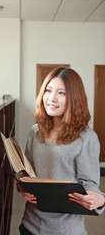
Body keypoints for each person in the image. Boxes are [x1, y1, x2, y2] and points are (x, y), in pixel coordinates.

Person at [18, 67, 105, 235]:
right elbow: (26, 172)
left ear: (74, 98)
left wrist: (100, 199)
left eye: (61, 93)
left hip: (65, 230)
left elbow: (90, 184)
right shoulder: (35, 131)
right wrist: (22, 186)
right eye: (48, 90)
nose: (51, 98)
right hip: (29, 225)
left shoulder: (86, 138)